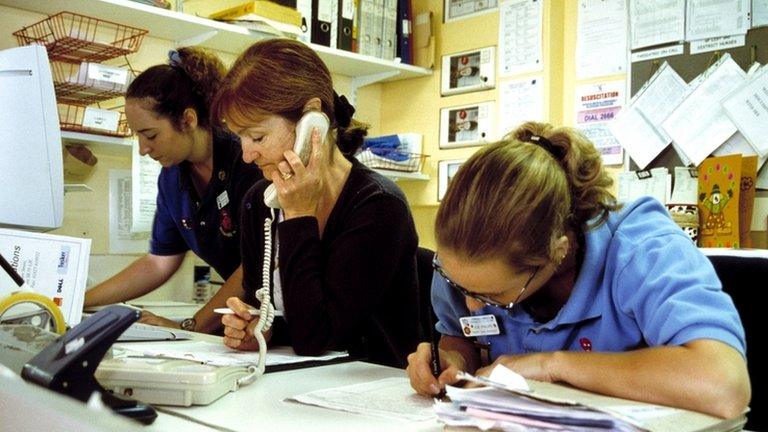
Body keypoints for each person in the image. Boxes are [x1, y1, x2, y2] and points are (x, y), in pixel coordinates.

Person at [406, 121, 750, 419]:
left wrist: (551, 364)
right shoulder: (464, 263)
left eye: (494, 296)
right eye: (457, 283)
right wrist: (453, 360)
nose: (471, 305)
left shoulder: (641, 249)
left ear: (557, 251)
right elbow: (463, 333)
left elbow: (723, 384)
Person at [210, 38, 421, 368]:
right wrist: (257, 328)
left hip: (370, 392)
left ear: (312, 121)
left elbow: (317, 337)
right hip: (297, 384)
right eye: (240, 138)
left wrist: (298, 216)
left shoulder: (379, 206)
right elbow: (272, 311)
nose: (247, 155)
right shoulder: (260, 201)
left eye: (257, 137)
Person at [84, 47, 262, 334]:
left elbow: (254, 267)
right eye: (137, 136)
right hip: (238, 321)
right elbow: (158, 262)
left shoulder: (248, 159)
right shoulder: (171, 177)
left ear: (188, 120)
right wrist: (77, 301)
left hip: (282, 318)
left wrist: (191, 326)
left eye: (150, 135)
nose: (143, 149)